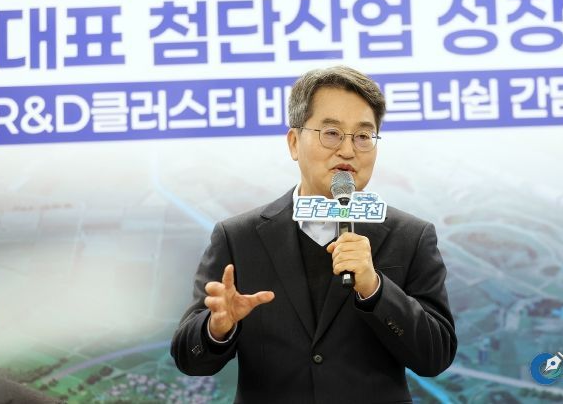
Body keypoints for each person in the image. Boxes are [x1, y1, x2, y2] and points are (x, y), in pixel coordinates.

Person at [171, 65, 457, 403]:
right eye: (331, 133)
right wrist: (217, 328)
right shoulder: (238, 237)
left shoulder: (411, 236)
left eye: (363, 136)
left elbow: (435, 356)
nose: (348, 150)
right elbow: (189, 359)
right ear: (294, 142)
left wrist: (376, 290)